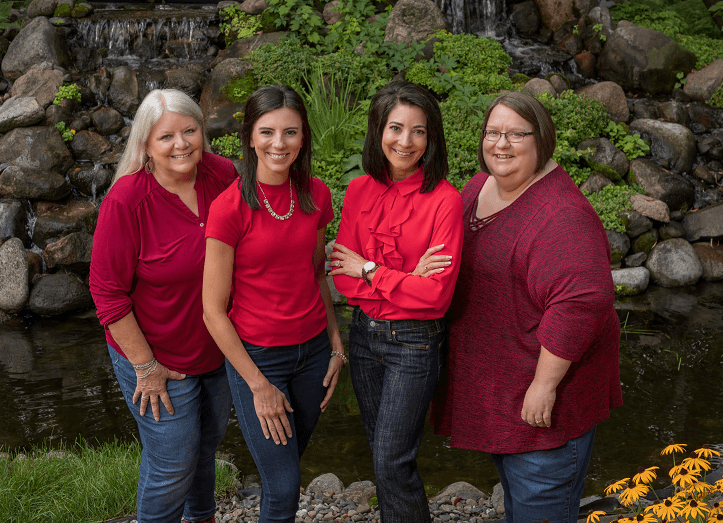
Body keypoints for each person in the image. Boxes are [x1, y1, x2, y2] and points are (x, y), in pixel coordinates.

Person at [431, 91, 622, 523]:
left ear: (542, 141)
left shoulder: (562, 215)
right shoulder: (479, 187)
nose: (501, 144)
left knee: (540, 506)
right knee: (518, 504)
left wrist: (544, 386)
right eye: (493, 132)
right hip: (502, 390)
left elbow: (582, 303)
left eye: (517, 134)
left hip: (545, 407)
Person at [90, 89, 237, 523]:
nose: (181, 144)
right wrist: (145, 367)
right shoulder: (126, 200)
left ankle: (202, 518)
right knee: (172, 463)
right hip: (155, 356)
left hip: (216, 346)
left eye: (189, 131)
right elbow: (107, 294)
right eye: (166, 137)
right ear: (145, 146)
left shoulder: (223, 174)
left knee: (205, 449)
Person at [202, 84, 346, 523]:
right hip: (260, 360)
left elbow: (317, 273)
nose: (278, 144)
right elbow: (212, 310)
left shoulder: (317, 195)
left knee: (282, 472)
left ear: (303, 138)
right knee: (284, 488)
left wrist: (337, 344)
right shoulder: (229, 208)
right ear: (249, 137)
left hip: (314, 354)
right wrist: (259, 386)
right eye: (267, 132)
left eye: (290, 132)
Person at [330, 81, 464, 523]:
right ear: (378, 130)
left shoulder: (445, 200)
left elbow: (436, 295)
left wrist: (370, 269)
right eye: (395, 128)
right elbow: (342, 280)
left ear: (432, 138)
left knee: (393, 459)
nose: (405, 142)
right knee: (382, 453)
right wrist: (406, 279)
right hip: (364, 334)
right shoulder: (358, 191)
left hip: (414, 342)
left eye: (419, 131)